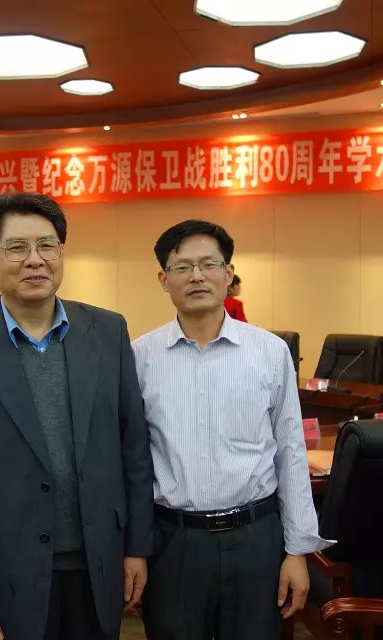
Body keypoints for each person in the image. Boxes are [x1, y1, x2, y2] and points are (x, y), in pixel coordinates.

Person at [0, 192, 154, 640]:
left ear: (61, 253)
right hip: (5, 575)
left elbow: (134, 448)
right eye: (17, 248)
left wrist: (137, 547)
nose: (35, 260)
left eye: (47, 245)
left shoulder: (108, 332)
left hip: (100, 566)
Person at [132, 220, 331, 640]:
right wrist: (134, 549)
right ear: (163, 279)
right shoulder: (139, 358)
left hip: (256, 541)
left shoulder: (270, 352)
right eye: (182, 267)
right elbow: (130, 461)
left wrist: (298, 551)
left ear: (228, 273)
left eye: (209, 264)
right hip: (173, 543)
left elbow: (290, 453)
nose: (197, 276)